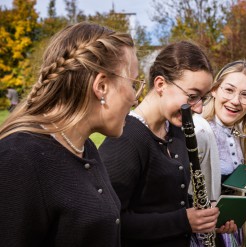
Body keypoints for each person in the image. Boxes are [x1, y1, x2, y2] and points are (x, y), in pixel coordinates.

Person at [0, 22, 145, 246]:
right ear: (102, 86)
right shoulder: (20, 159)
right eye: (134, 83)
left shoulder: (85, 148)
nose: (135, 98)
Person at [98, 41, 236, 247]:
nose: (198, 109)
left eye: (203, 98)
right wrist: (183, 221)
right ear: (161, 84)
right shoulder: (125, 139)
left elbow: (169, 201)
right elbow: (109, 221)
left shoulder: (177, 132)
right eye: (192, 96)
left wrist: (206, 216)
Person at [192, 60, 246, 247]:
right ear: (214, 90)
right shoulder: (199, 130)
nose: (235, 101)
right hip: (199, 233)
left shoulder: (241, 131)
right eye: (229, 90)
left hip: (228, 228)